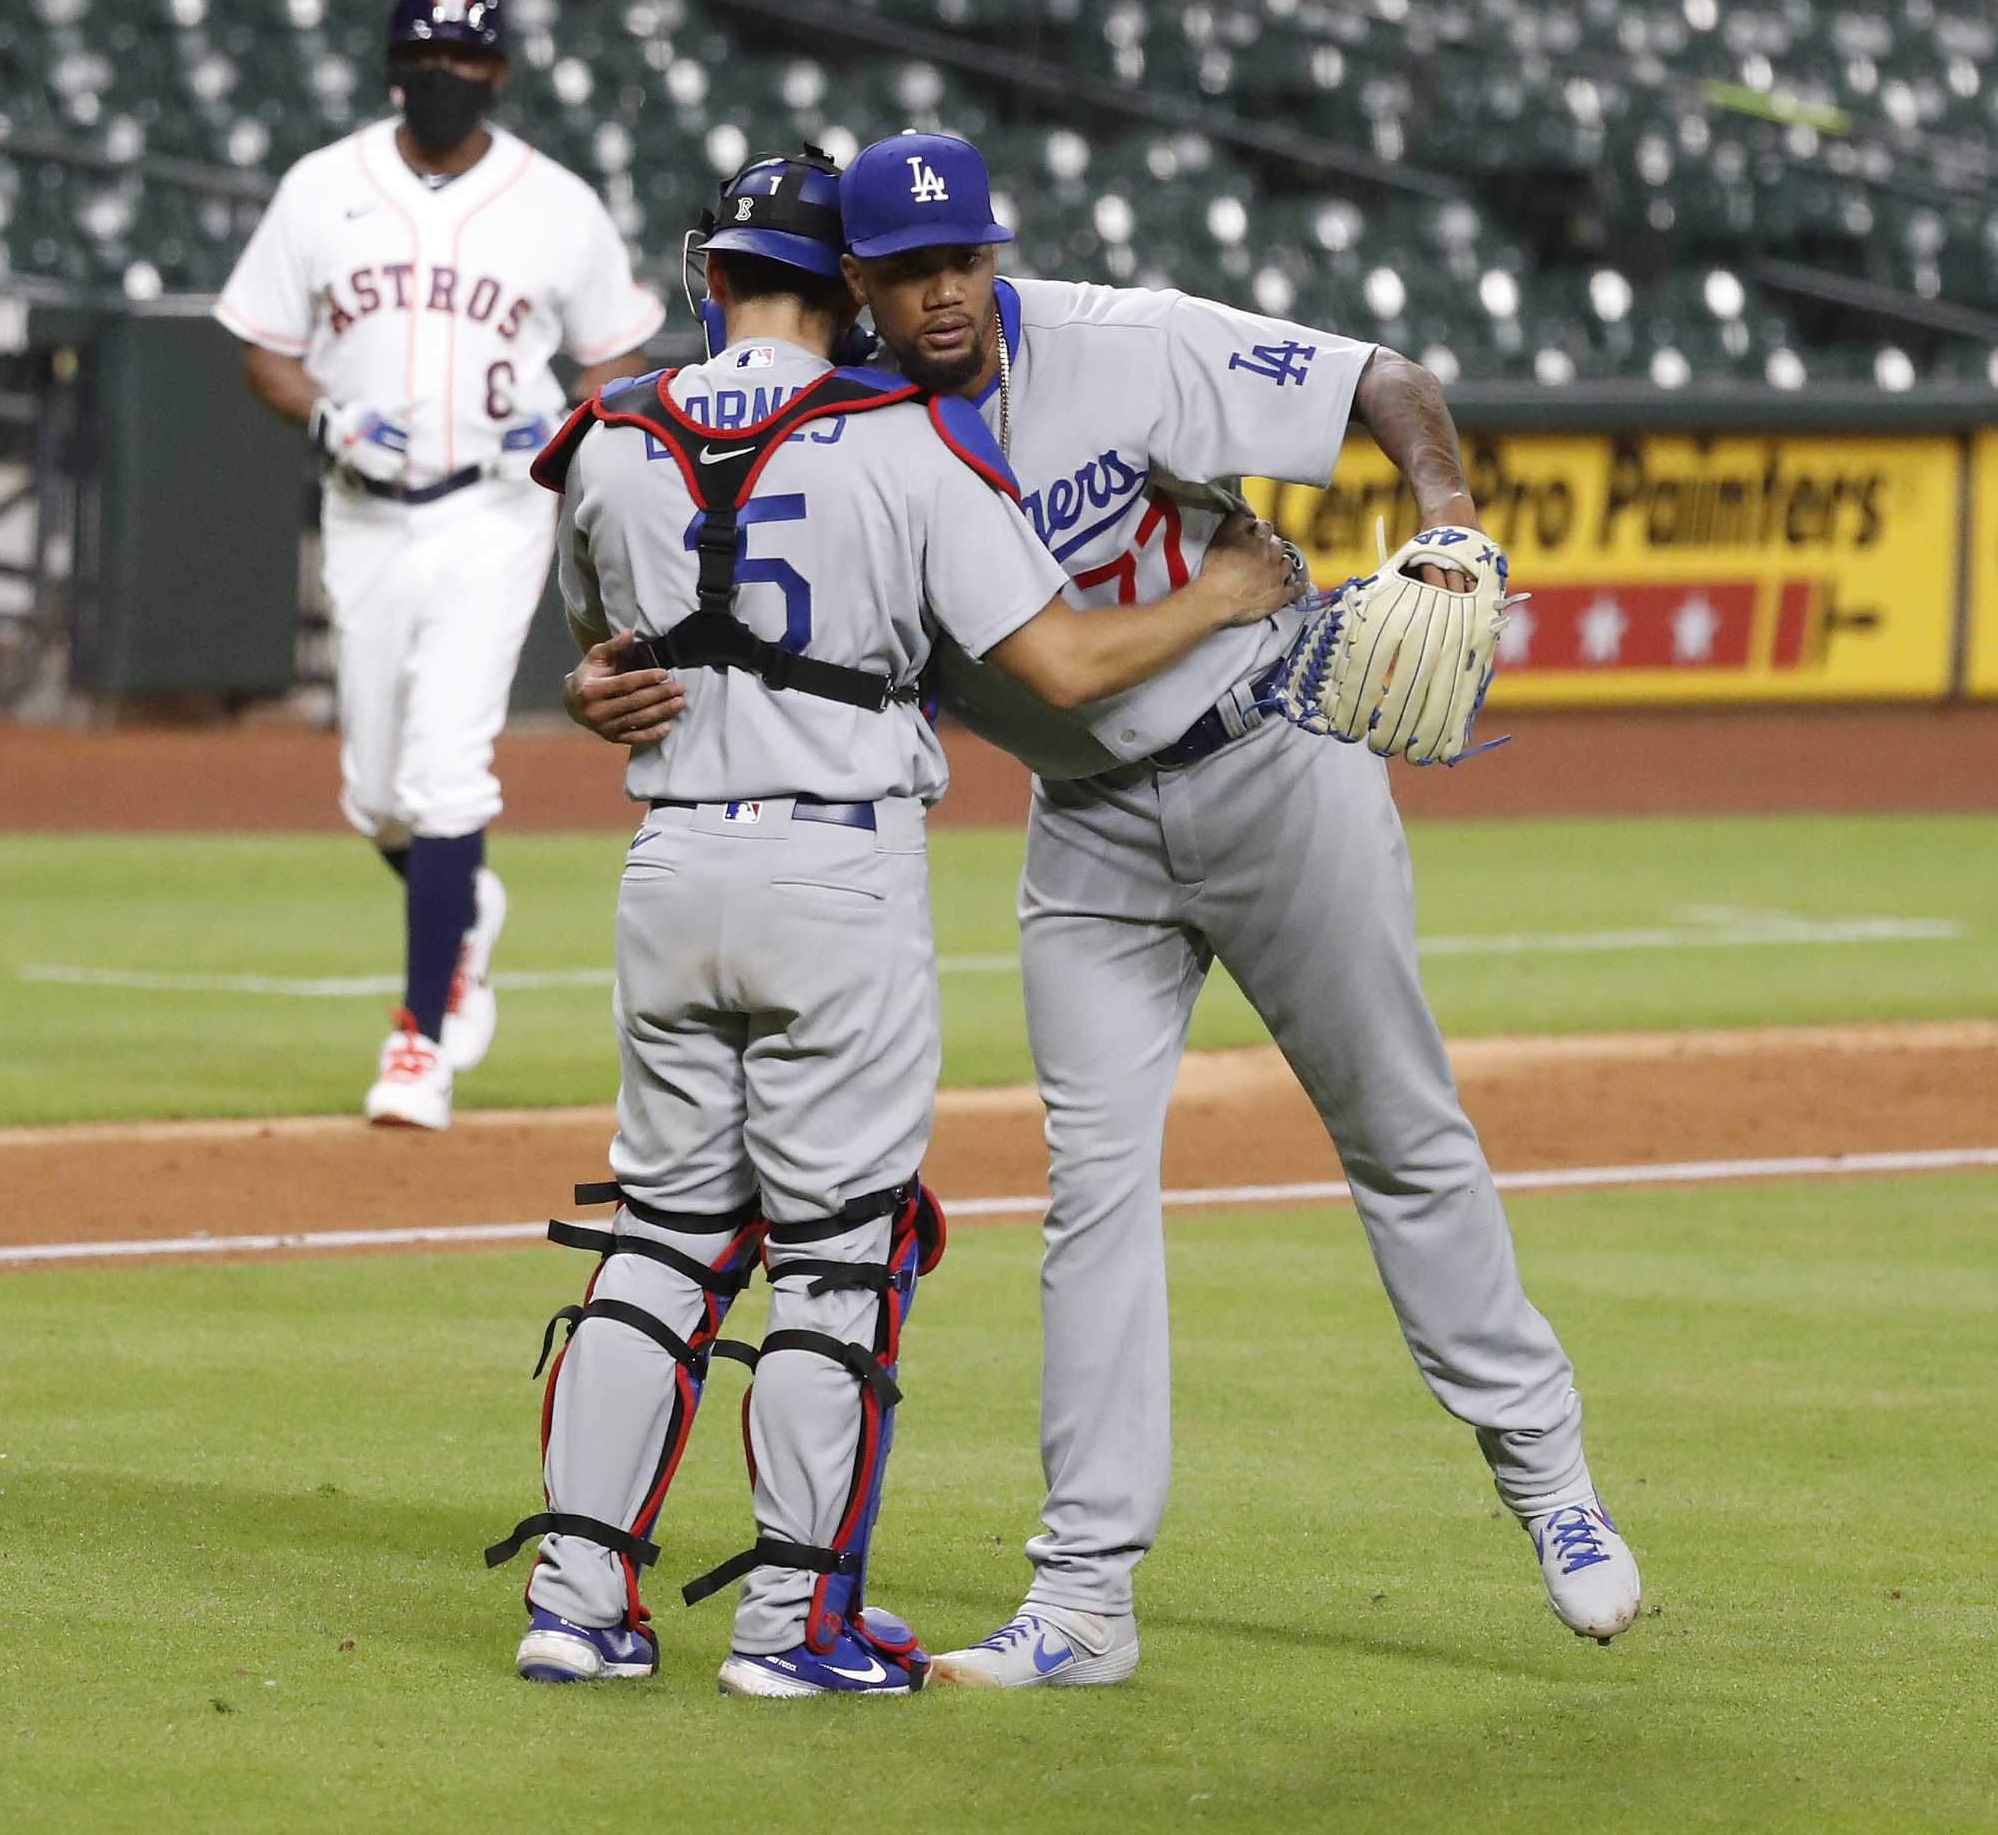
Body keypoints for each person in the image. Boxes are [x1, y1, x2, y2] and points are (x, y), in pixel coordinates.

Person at [567, 128, 1642, 1686]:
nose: (945, 293)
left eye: (965, 258)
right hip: (1086, 834)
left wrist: (1445, 513)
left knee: (1399, 1132)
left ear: (995, 252)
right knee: (1090, 1195)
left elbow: (1375, 377)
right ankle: (1082, 1599)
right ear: (852, 280)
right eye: (907, 269)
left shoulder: (1121, 344)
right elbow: (702, 611)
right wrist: (603, 683)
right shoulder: (852, 431)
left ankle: (1549, 1487)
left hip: (1272, 763)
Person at [479, 148, 1304, 1696]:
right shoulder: (905, 430)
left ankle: (576, 1600)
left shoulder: (607, 434)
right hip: (833, 873)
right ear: (844, 287)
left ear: (709, 275)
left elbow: (604, 655)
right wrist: (1223, 597)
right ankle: (792, 1631)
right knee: (841, 1254)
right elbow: (1055, 667)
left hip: (670, 868)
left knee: (657, 1238)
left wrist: (607, 689)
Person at [214, 0, 662, 1129]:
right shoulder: (323, 188)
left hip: (491, 510)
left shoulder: (552, 201)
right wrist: (324, 411)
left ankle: (419, 1037)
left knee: (445, 770)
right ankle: (457, 907)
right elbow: (262, 339)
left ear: (498, 73)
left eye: (465, 60)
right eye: (425, 57)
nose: (444, 77)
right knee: (376, 799)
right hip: (363, 507)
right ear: (392, 68)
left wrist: (567, 416)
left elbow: (616, 346)